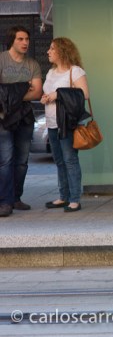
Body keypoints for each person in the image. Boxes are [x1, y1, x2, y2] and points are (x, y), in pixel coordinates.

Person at [40, 37, 88, 213]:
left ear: (62, 51)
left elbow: (84, 94)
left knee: (70, 160)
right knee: (59, 161)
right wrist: (45, 98)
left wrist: (57, 95)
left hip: (66, 122)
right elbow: (48, 93)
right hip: (51, 122)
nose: (48, 52)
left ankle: (75, 199)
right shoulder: (51, 73)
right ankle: (63, 196)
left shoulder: (75, 71)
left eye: (52, 49)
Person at [0, 26, 43, 216]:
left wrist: (9, 94)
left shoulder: (32, 64)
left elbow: (37, 91)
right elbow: (29, 90)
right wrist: (22, 90)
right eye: (21, 39)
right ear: (12, 40)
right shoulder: (1, 60)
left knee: (22, 161)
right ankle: (5, 201)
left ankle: (16, 197)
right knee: (6, 159)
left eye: (27, 39)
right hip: (3, 116)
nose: (25, 43)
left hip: (25, 116)